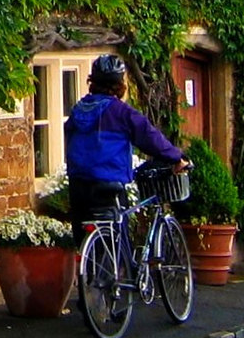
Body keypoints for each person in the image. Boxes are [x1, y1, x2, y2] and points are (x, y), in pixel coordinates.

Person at [64, 53, 187, 239]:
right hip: (108, 183)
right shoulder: (121, 112)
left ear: (93, 81)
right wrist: (176, 157)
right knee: (118, 238)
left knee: (85, 240)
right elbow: (149, 137)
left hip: (78, 183)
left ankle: (86, 266)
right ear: (120, 83)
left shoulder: (78, 110)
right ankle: (121, 266)